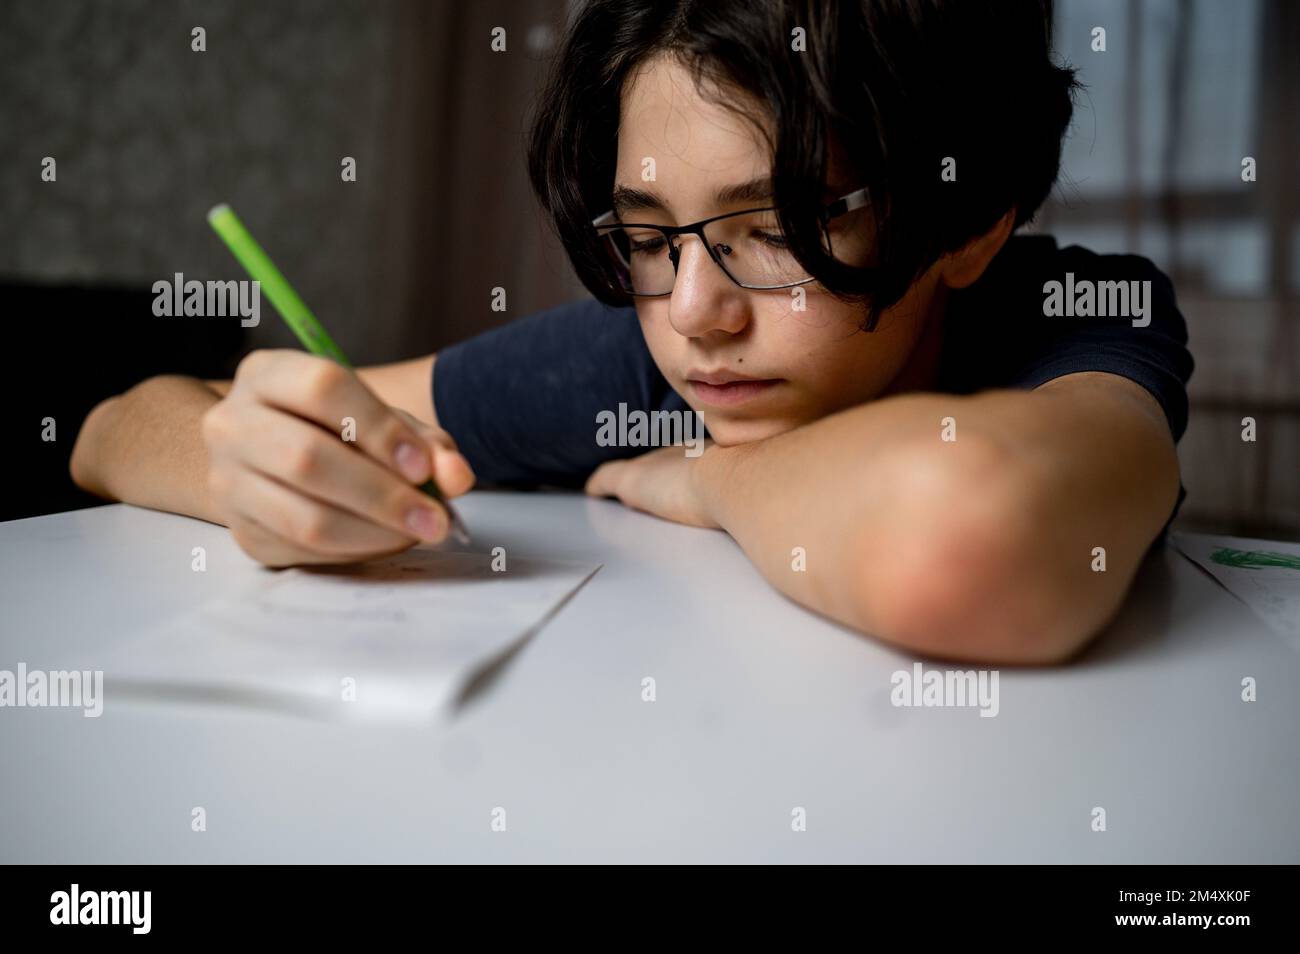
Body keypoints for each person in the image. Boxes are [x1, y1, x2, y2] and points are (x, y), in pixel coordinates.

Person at [70, 0, 1193, 664]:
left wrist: (705, 482)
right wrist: (267, 468)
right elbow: (117, 428)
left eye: (776, 228)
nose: (696, 315)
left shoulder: (1073, 315)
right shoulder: (631, 359)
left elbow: (969, 537)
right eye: (647, 235)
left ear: (972, 225)